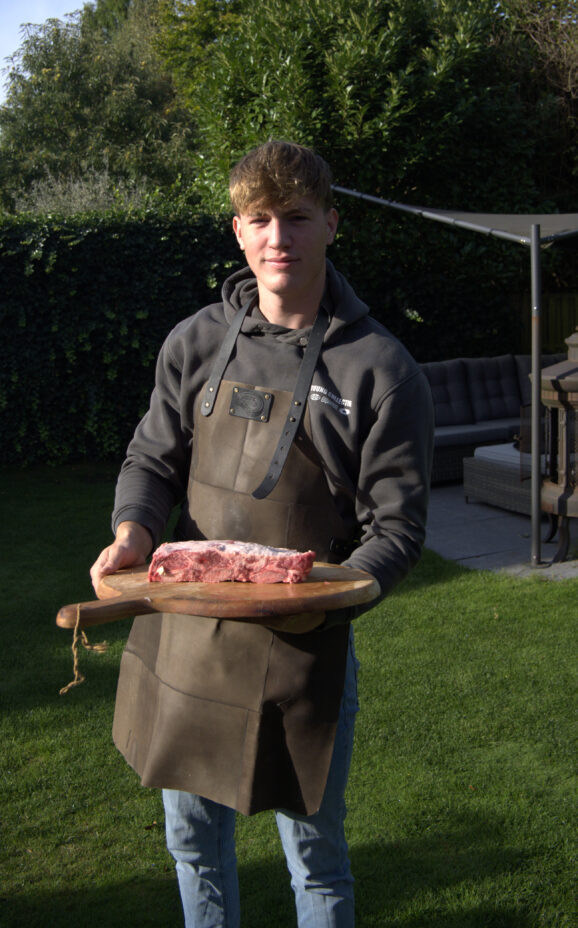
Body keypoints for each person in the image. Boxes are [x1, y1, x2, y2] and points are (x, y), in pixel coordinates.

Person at [90, 140, 434, 927]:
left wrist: (332, 597)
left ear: (331, 225)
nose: (280, 237)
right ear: (238, 231)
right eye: (262, 219)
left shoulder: (380, 370)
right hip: (185, 632)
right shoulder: (196, 341)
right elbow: (152, 457)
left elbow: (398, 525)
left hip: (304, 646)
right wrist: (134, 532)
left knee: (316, 860)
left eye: (298, 218)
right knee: (192, 842)